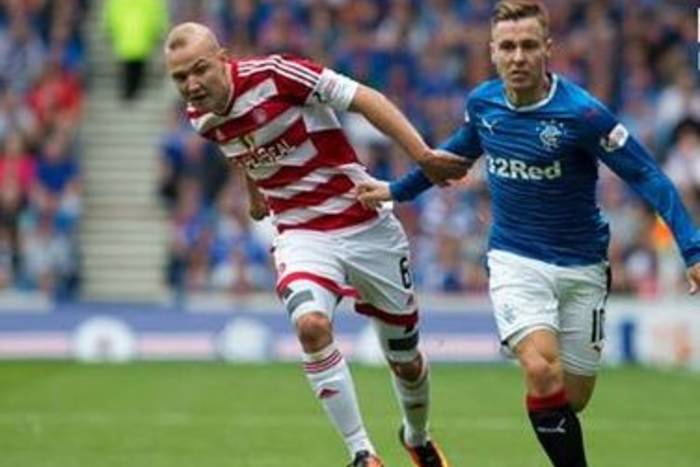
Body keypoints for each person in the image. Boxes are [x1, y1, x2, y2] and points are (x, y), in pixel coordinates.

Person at [356, 2, 700, 466]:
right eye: (508, 47)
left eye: (528, 46)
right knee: (540, 370)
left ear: (547, 50)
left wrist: (692, 248)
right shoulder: (483, 105)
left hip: (582, 264)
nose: (518, 57)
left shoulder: (583, 114)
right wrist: (395, 191)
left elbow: (647, 176)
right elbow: (451, 158)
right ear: (492, 52)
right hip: (515, 260)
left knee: (570, 398)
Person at [164, 22, 468, 467]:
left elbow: (366, 98)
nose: (191, 84)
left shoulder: (278, 75)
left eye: (199, 70)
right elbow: (243, 145)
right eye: (180, 77)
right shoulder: (201, 115)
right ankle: (362, 454)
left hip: (364, 222)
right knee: (311, 326)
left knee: (405, 360)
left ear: (223, 59)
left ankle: (416, 436)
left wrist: (423, 157)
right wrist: (255, 194)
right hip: (300, 233)